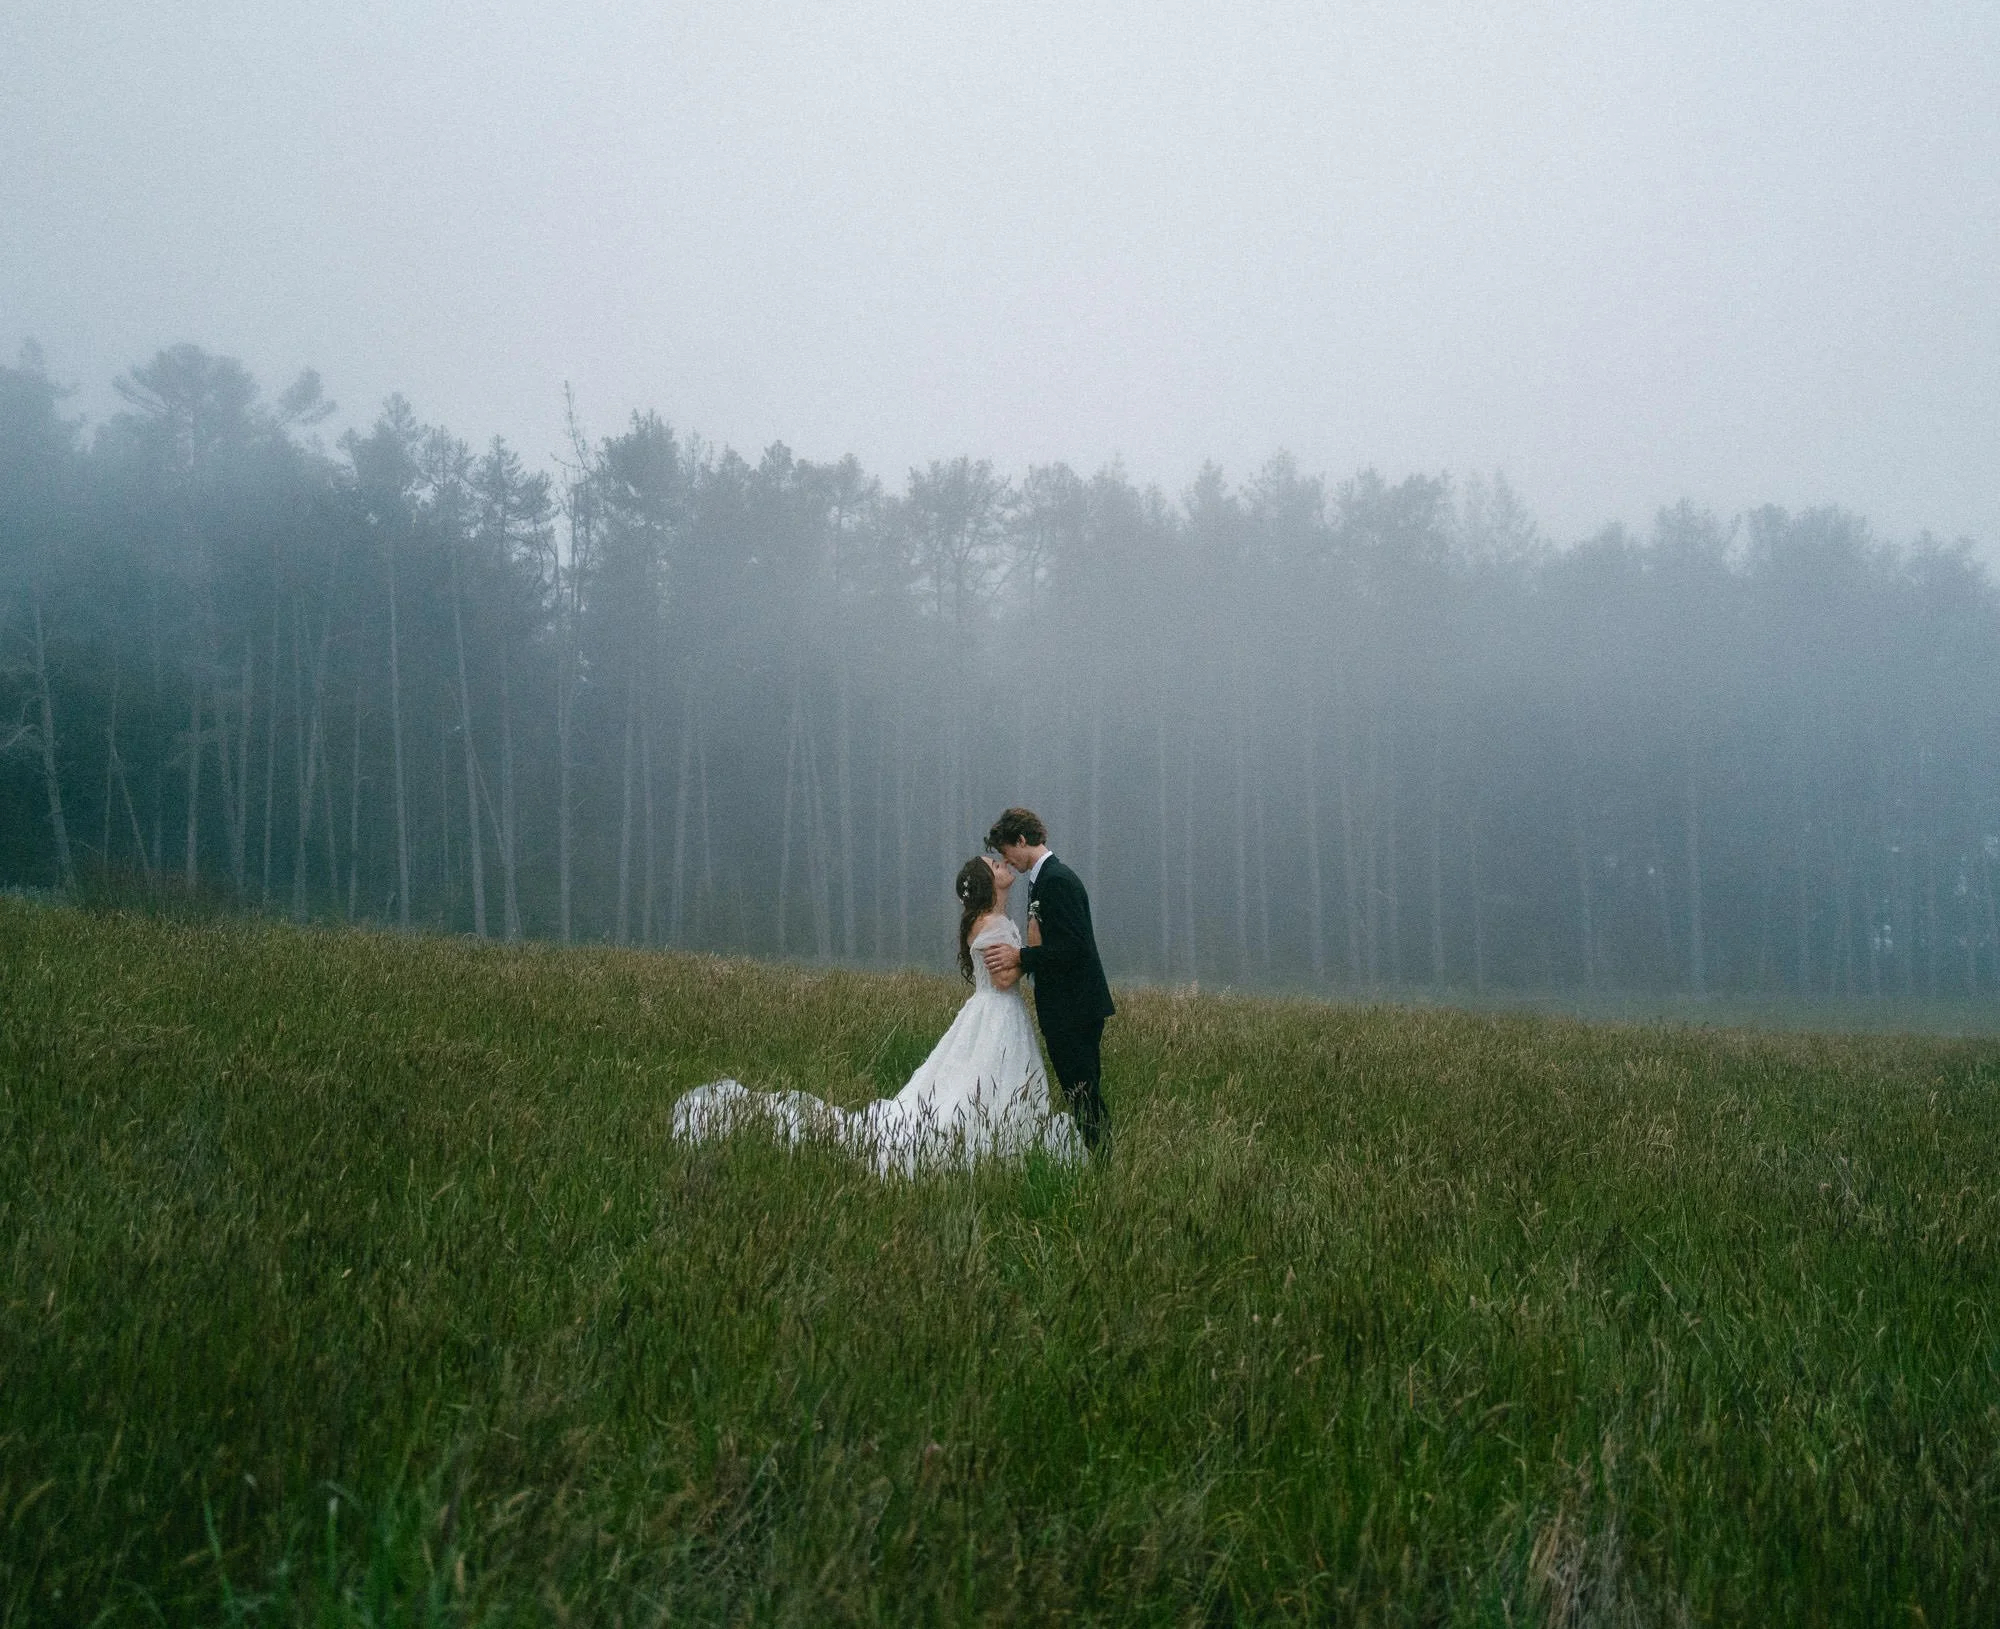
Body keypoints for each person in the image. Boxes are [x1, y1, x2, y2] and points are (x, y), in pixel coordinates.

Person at [670, 854, 1082, 1175]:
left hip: (996, 1014)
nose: (1003, 865)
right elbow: (1007, 978)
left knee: (987, 1082)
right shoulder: (990, 924)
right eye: (995, 864)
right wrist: (1030, 957)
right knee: (982, 1084)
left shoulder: (995, 919)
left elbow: (1025, 954)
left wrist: (1031, 932)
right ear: (989, 883)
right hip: (996, 1015)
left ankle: (1004, 1139)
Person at [980, 807, 1114, 1157]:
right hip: (1065, 1007)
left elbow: (1073, 947)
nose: (1006, 861)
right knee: (1078, 1090)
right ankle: (1095, 1155)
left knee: (1082, 1090)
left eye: (1006, 851)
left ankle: (1100, 1158)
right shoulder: (1044, 879)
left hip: (1075, 1007)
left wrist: (1020, 957)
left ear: (1021, 840)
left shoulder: (1057, 880)